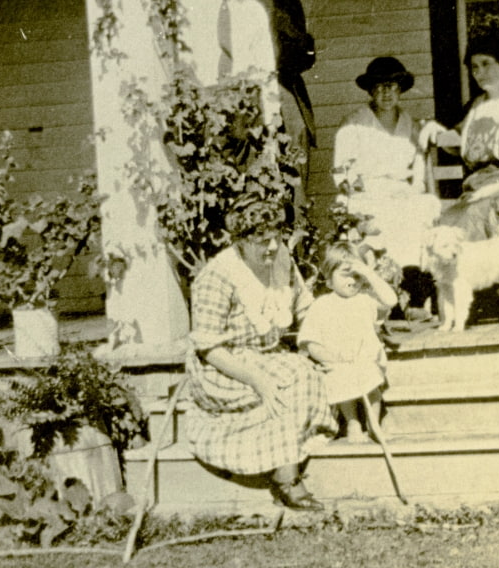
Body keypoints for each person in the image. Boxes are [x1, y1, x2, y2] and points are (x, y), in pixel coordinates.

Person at [183, 195, 335, 511]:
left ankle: (285, 463)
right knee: (286, 379)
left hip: (266, 354)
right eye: (262, 241)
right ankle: (286, 478)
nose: (272, 247)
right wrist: (257, 380)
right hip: (224, 366)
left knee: (304, 369)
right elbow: (209, 348)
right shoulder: (218, 275)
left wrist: (331, 342)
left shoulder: (281, 262)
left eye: (277, 238)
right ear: (239, 241)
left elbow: (306, 310)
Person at [430, 36, 499, 241]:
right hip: (478, 188)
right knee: (448, 223)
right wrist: (433, 129)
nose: (479, 73)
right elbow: (462, 144)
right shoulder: (475, 108)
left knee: (472, 218)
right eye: (474, 67)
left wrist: (493, 189)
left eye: (485, 64)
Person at [334, 57, 442, 269]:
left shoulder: (408, 123)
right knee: (382, 220)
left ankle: (411, 276)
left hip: (402, 193)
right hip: (367, 194)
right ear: (370, 91)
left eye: (391, 86)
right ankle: (384, 276)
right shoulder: (354, 123)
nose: (386, 93)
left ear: (400, 90)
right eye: (379, 86)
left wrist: (412, 190)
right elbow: (341, 173)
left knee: (421, 211)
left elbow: (419, 167)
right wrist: (365, 192)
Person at [173, 0, 279, 122]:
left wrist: (271, 126)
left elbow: (266, 73)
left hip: (244, 116)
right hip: (198, 111)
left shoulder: (253, 10)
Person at [298, 242, 397, 443]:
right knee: (340, 378)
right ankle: (352, 422)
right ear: (328, 280)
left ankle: (373, 422)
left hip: (367, 359)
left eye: (357, 276)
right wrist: (334, 358)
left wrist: (368, 273)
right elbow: (310, 343)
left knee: (370, 379)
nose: (353, 280)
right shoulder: (321, 305)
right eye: (345, 274)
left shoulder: (365, 300)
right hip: (338, 362)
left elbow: (391, 300)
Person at [242, 0, 317, 194]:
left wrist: (296, 36)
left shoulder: (288, 1)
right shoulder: (234, 1)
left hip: (285, 86)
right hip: (249, 91)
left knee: (297, 137)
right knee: (257, 152)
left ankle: (298, 221)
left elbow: (307, 60)